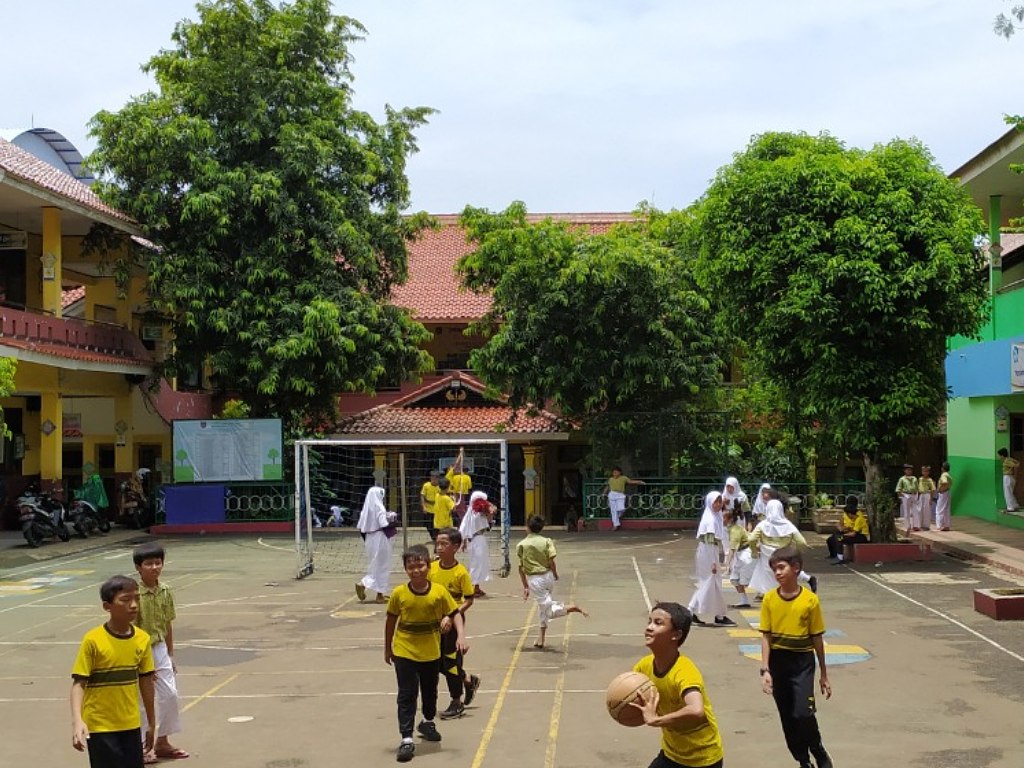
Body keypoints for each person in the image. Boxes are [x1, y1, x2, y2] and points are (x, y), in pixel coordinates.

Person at [385, 544, 467, 762]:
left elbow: (455, 613)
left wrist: (460, 635)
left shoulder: (439, 592)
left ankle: (427, 722)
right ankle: (406, 739)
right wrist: (387, 648)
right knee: (407, 694)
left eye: (420, 565)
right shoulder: (399, 594)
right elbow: (390, 620)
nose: (416, 570)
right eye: (411, 567)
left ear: (428, 566)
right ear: (405, 569)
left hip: (431, 652)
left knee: (430, 694)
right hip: (405, 652)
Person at [759, 546, 833, 768]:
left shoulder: (810, 601)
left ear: (796, 568)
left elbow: (817, 639)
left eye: (781, 568)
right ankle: (802, 759)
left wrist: (824, 674)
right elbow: (766, 636)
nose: (778, 573)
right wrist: (765, 669)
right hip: (778, 662)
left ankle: (817, 749)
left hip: (802, 662)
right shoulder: (770, 599)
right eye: (774, 569)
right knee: (787, 716)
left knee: (803, 712)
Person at [71, 575, 156, 768]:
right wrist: (78, 722)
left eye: (137, 598)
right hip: (100, 725)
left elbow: (146, 682)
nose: (133, 605)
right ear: (107, 606)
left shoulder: (142, 639)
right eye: (125, 600)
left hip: (131, 724)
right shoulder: (93, 640)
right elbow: (79, 684)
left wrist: (151, 723)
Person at [631, 602, 725, 768]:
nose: (649, 627)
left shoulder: (684, 671)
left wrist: (656, 720)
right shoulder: (644, 666)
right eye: (649, 621)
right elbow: (629, 692)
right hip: (671, 754)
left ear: (676, 634)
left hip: (702, 759)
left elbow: (696, 709)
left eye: (658, 623)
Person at [132, 543, 188, 763]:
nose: (154, 567)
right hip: (140, 651)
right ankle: (143, 746)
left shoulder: (165, 590)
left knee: (170, 695)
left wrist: (170, 655)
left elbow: (167, 625)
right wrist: (140, 663)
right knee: (144, 701)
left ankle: (162, 741)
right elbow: (132, 630)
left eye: (158, 562)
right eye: (149, 563)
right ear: (138, 567)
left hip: (159, 648)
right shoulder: (134, 594)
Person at [429, 528, 481, 720]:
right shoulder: (432, 568)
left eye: (444, 544)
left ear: (456, 547)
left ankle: (456, 701)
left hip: (452, 622)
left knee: (451, 662)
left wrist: (451, 616)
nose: (439, 547)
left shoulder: (460, 573)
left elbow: (469, 599)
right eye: (438, 543)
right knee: (435, 662)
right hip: (434, 621)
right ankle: (467, 679)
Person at [517, 515, 588, 648]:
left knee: (548, 611)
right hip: (548, 577)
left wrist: (525, 586)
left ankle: (572, 608)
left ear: (528, 528)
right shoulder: (547, 541)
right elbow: (551, 561)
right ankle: (541, 639)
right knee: (543, 608)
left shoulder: (521, 545)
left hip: (535, 579)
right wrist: (555, 574)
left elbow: (521, 568)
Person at [687, 491, 735, 627]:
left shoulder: (714, 517)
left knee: (710, 584)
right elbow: (710, 544)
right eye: (716, 502)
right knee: (710, 583)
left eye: (720, 502)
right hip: (708, 555)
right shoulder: (711, 520)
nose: (718, 505)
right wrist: (714, 563)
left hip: (708, 554)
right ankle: (698, 612)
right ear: (710, 502)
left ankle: (698, 612)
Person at [748, 498, 816, 593]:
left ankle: (772, 597)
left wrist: (754, 552)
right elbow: (802, 542)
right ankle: (807, 579)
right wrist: (796, 552)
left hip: (766, 556)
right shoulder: (788, 525)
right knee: (787, 572)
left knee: (769, 577)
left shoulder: (762, 525)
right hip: (785, 555)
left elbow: (751, 539)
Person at [356, 486, 398, 603]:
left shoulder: (365, 509)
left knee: (375, 564)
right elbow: (383, 524)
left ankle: (379, 594)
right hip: (380, 537)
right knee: (383, 564)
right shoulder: (379, 507)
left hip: (370, 538)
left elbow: (361, 527)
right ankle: (365, 584)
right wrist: (393, 519)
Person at [459, 490, 495, 597]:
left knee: (481, 563)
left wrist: (490, 514)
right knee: (476, 564)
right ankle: (471, 588)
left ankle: (477, 587)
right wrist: (463, 541)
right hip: (476, 540)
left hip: (480, 539)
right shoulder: (473, 513)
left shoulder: (478, 512)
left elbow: (488, 525)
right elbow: (464, 528)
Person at [723, 507, 756, 608]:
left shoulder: (735, 531)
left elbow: (732, 549)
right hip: (742, 554)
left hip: (747, 555)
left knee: (749, 579)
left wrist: (726, 565)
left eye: (723, 517)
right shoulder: (731, 528)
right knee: (734, 579)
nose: (721, 519)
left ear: (729, 519)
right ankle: (744, 600)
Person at [826, 495, 869, 562]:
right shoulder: (847, 512)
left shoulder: (859, 518)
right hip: (850, 532)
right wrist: (841, 528)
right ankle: (834, 555)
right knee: (831, 539)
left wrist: (843, 535)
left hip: (860, 535)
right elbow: (840, 522)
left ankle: (840, 558)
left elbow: (854, 533)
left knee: (839, 539)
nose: (849, 517)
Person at [602, 466, 645, 531]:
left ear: (620, 472)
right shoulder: (610, 479)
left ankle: (617, 518)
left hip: (620, 494)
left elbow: (630, 482)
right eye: (613, 472)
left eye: (616, 472)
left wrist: (639, 482)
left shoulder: (623, 478)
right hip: (612, 494)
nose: (615, 473)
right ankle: (615, 525)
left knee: (621, 509)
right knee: (613, 511)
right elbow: (607, 487)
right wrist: (603, 493)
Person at [445, 448, 473, 524]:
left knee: (460, 513)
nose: (455, 468)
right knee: (458, 513)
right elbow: (457, 463)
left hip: (457, 495)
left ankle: (463, 526)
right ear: (449, 469)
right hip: (452, 496)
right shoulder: (449, 475)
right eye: (452, 467)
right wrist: (461, 454)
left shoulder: (457, 476)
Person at [429, 478, 456, 543]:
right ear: (448, 487)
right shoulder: (447, 499)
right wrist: (454, 499)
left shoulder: (437, 495)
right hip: (446, 522)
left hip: (437, 522)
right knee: (447, 539)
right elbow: (454, 509)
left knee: (440, 538)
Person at [895, 463, 918, 531]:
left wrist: (917, 493)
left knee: (915, 510)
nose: (909, 471)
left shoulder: (914, 478)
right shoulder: (902, 479)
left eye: (910, 470)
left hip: (914, 494)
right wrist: (900, 495)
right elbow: (898, 488)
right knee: (906, 511)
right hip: (906, 494)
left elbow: (917, 487)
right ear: (905, 471)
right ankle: (907, 526)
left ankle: (916, 525)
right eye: (907, 470)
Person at [998, 448, 1019, 513]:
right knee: (1010, 492)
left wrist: (1014, 474)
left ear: (1002, 455)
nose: (999, 457)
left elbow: (1016, 465)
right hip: (1011, 477)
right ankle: (1014, 505)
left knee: (1007, 493)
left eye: (999, 455)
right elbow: (1018, 463)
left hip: (1008, 477)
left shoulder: (1006, 461)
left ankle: (1010, 507)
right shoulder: (1010, 459)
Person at [916, 465, 936, 532]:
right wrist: (917, 498)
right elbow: (918, 489)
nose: (925, 472)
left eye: (927, 471)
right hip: (921, 495)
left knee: (926, 510)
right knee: (919, 510)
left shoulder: (930, 480)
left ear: (928, 472)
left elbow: (933, 489)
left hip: (927, 495)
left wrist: (931, 499)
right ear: (922, 472)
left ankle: (926, 526)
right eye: (924, 471)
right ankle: (920, 525)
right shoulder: (920, 479)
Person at [420, 470, 441, 535]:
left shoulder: (440, 486)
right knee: (428, 525)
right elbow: (422, 496)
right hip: (428, 508)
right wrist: (423, 506)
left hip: (438, 508)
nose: (434, 479)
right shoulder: (426, 485)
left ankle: (435, 538)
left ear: (438, 478)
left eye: (436, 477)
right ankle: (433, 537)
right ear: (430, 478)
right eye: (432, 477)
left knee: (437, 525)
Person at [935, 461, 953, 531]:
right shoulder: (948, 475)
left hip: (943, 493)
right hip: (948, 492)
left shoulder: (943, 475)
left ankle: (939, 526)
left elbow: (944, 482)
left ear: (942, 468)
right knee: (946, 510)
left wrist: (940, 489)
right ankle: (947, 525)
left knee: (939, 510)